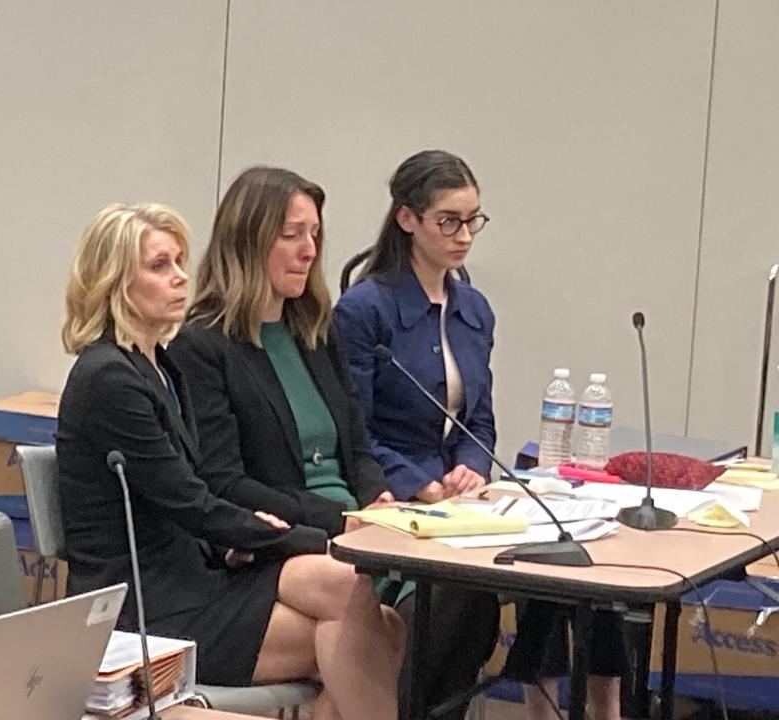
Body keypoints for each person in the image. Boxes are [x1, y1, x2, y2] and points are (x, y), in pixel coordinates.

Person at [168, 166, 497, 720]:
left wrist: (376, 497)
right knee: (379, 619)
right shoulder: (204, 344)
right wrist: (341, 521)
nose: (308, 250)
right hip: (278, 539)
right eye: (291, 234)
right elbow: (225, 481)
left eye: (314, 234)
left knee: (461, 597)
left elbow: (357, 442)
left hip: (361, 525)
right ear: (248, 240)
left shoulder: (315, 331)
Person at [56, 202, 404, 720]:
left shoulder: (162, 364)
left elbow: (194, 495)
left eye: (179, 262)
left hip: (199, 573)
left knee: (357, 599)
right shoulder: (109, 379)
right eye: (159, 266)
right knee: (367, 634)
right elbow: (188, 499)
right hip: (145, 602)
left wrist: (237, 541)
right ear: (112, 282)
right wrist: (313, 538)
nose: (180, 278)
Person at [332, 150, 624, 720]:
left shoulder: (476, 309)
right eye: (449, 220)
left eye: (474, 220)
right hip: (401, 500)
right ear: (407, 219)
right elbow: (355, 430)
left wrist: (472, 465)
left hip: (466, 499)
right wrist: (420, 482)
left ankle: (578, 707)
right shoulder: (364, 309)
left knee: (576, 564)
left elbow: (480, 419)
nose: (464, 235)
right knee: (462, 596)